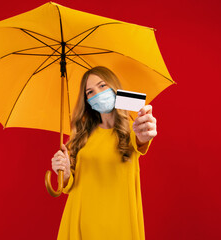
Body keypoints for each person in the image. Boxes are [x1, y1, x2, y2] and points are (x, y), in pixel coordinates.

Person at [51, 66, 157, 240]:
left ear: (115, 87)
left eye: (102, 86)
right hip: (79, 222)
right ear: (87, 100)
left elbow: (142, 139)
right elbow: (68, 186)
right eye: (90, 92)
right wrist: (64, 173)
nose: (97, 94)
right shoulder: (80, 136)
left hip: (117, 226)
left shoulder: (132, 130)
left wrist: (145, 132)